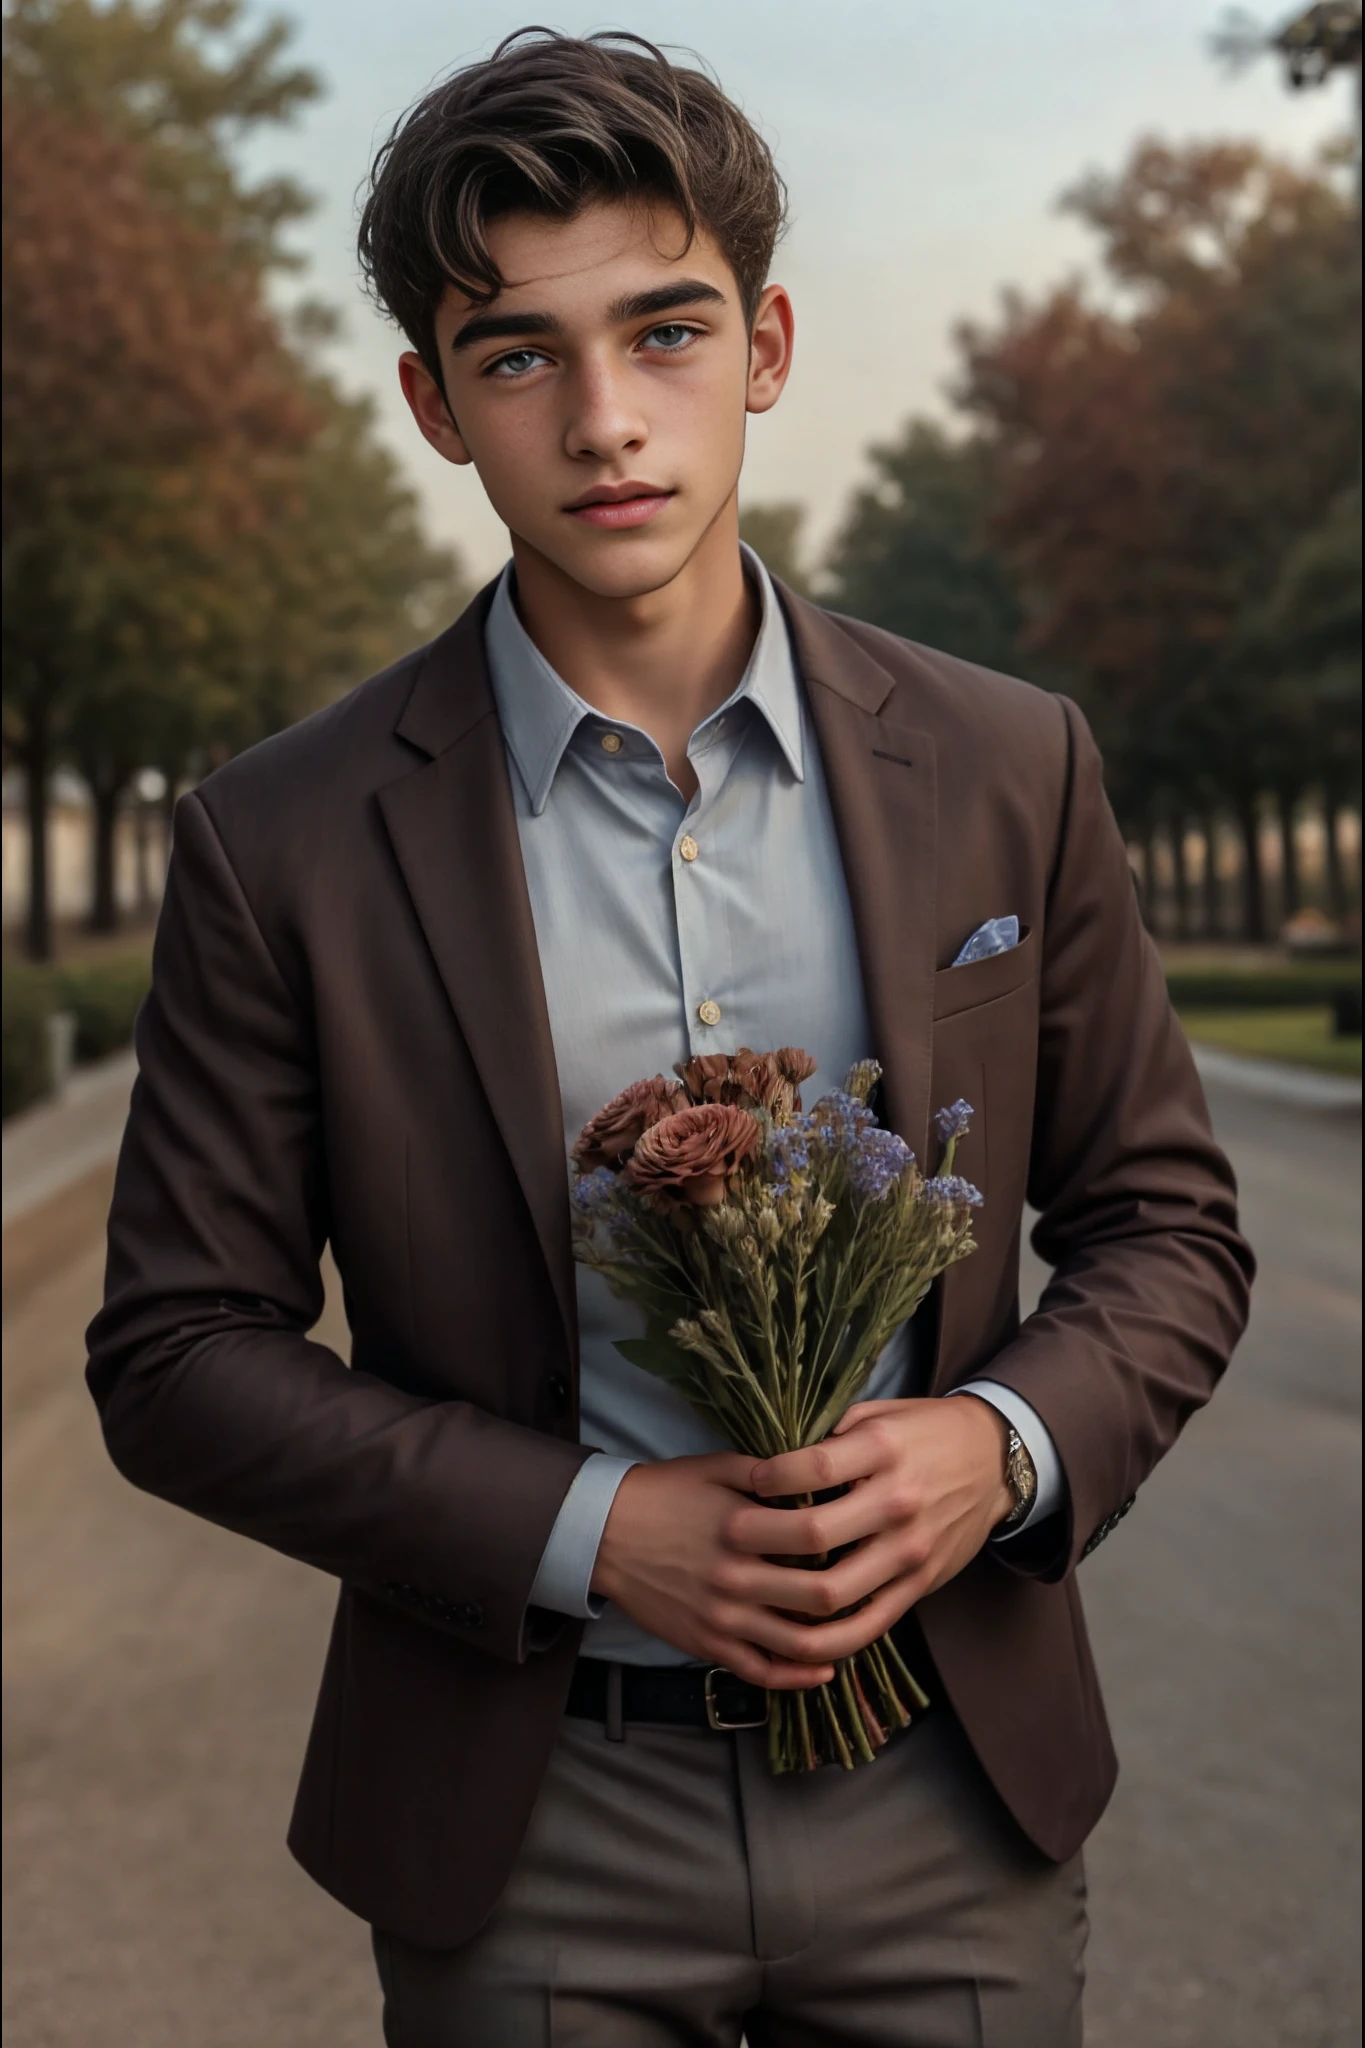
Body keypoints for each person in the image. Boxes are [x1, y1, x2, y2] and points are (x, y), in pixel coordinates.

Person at [86, 29, 1254, 2047]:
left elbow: (1167, 1223)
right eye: (520, 354)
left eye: (665, 330)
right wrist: (593, 1531)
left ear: (769, 342)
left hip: (949, 1791)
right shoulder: (276, 838)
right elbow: (177, 1353)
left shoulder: (1005, 762)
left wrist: (1003, 1444)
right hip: (526, 1809)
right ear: (433, 401)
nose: (607, 419)